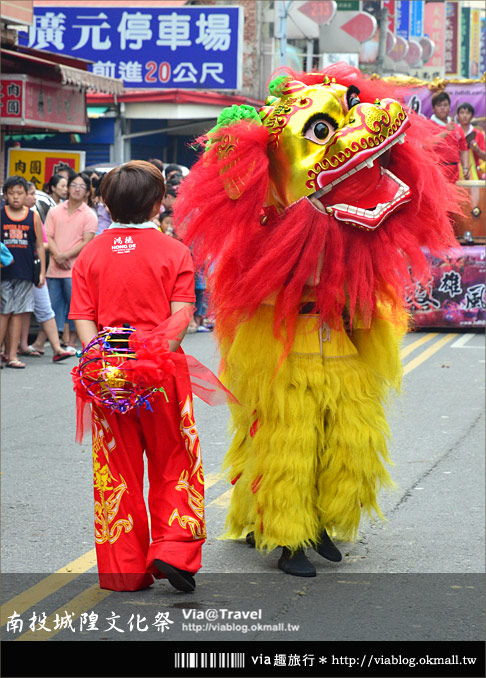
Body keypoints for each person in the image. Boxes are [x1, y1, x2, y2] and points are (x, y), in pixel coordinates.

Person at [174, 65, 461, 577]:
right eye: (326, 130)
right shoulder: (266, 219)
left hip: (339, 341)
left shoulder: (352, 220)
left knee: (350, 437)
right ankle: (289, 538)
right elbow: (249, 290)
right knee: (290, 440)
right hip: (285, 345)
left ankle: (324, 521)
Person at [69, 160, 205, 592]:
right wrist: (153, 361)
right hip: (161, 372)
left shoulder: (90, 253)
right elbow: (181, 316)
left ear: (106, 203)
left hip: (108, 371)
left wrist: (105, 364)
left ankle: (125, 569)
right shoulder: (173, 251)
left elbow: (84, 319)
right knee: (174, 461)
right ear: (156, 205)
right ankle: (173, 548)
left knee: (116, 469)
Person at [17, 183, 72, 363]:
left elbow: (43, 243)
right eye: (31, 194)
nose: (34, 198)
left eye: (33, 194)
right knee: (15, 311)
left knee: (44, 308)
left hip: (32, 268)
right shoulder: (5, 216)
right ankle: (16, 347)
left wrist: (40, 270)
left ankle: (56, 348)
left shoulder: (34, 217)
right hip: (13, 270)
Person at [45, 173, 97, 354]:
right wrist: (58, 255)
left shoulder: (89, 214)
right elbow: (47, 236)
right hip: (53, 267)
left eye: (81, 186)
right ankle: (55, 342)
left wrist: (65, 255)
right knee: (52, 306)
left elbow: (87, 241)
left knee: (76, 307)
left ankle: (73, 341)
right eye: (73, 185)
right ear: (67, 188)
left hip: (75, 269)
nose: (76, 189)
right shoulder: (55, 210)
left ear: (86, 192)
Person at [0, 176, 46, 369]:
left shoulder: (33, 216)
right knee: (3, 312)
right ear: (6, 195)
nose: (16, 197)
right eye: (11, 193)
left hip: (25, 272)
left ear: (26, 194)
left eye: (20, 193)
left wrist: (42, 271)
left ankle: (12, 356)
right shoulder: (1, 214)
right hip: (4, 272)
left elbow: (39, 246)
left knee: (18, 313)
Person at [430, 91, 470, 182]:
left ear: (449, 107)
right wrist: (446, 132)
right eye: (439, 105)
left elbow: (464, 149)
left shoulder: (456, 127)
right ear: (433, 108)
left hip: (455, 171)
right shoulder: (428, 125)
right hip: (437, 170)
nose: (443, 108)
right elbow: (426, 144)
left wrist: (466, 168)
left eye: (445, 105)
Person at [455, 102, 486, 180]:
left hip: (474, 175)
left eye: (468, 113)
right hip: (455, 174)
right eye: (462, 113)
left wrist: (477, 150)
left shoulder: (479, 134)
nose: (465, 116)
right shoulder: (453, 133)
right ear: (458, 116)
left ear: (472, 116)